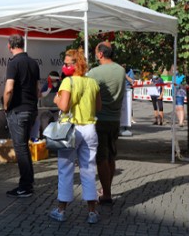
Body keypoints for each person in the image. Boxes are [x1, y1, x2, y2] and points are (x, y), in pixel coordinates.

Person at [49, 48, 102, 224]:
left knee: (65, 169)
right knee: (88, 170)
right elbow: (99, 107)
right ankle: (92, 211)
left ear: (75, 64)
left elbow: (63, 106)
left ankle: (61, 210)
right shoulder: (93, 82)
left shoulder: (67, 82)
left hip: (71, 130)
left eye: (66, 63)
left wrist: (56, 99)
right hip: (90, 128)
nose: (63, 66)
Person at [86, 41, 125, 205]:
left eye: (96, 52)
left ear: (101, 54)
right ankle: (107, 188)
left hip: (100, 119)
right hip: (115, 119)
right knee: (111, 155)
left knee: (102, 157)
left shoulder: (94, 72)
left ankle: (107, 194)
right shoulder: (121, 70)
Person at [3, 34, 40, 198]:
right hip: (31, 109)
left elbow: (9, 89)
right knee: (24, 146)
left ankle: (25, 186)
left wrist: (5, 106)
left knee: (21, 148)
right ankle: (28, 182)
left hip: (18, 110)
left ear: (10, 46)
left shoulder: (13, 63)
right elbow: (38, 90)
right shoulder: (33, 63)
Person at [120, 66, 135, 136]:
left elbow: (132, 81)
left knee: (127, 108)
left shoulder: (130, 71)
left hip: (127, 91)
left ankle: (126, 126)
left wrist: (126, 76)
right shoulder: (117, 70)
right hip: (120, 90)